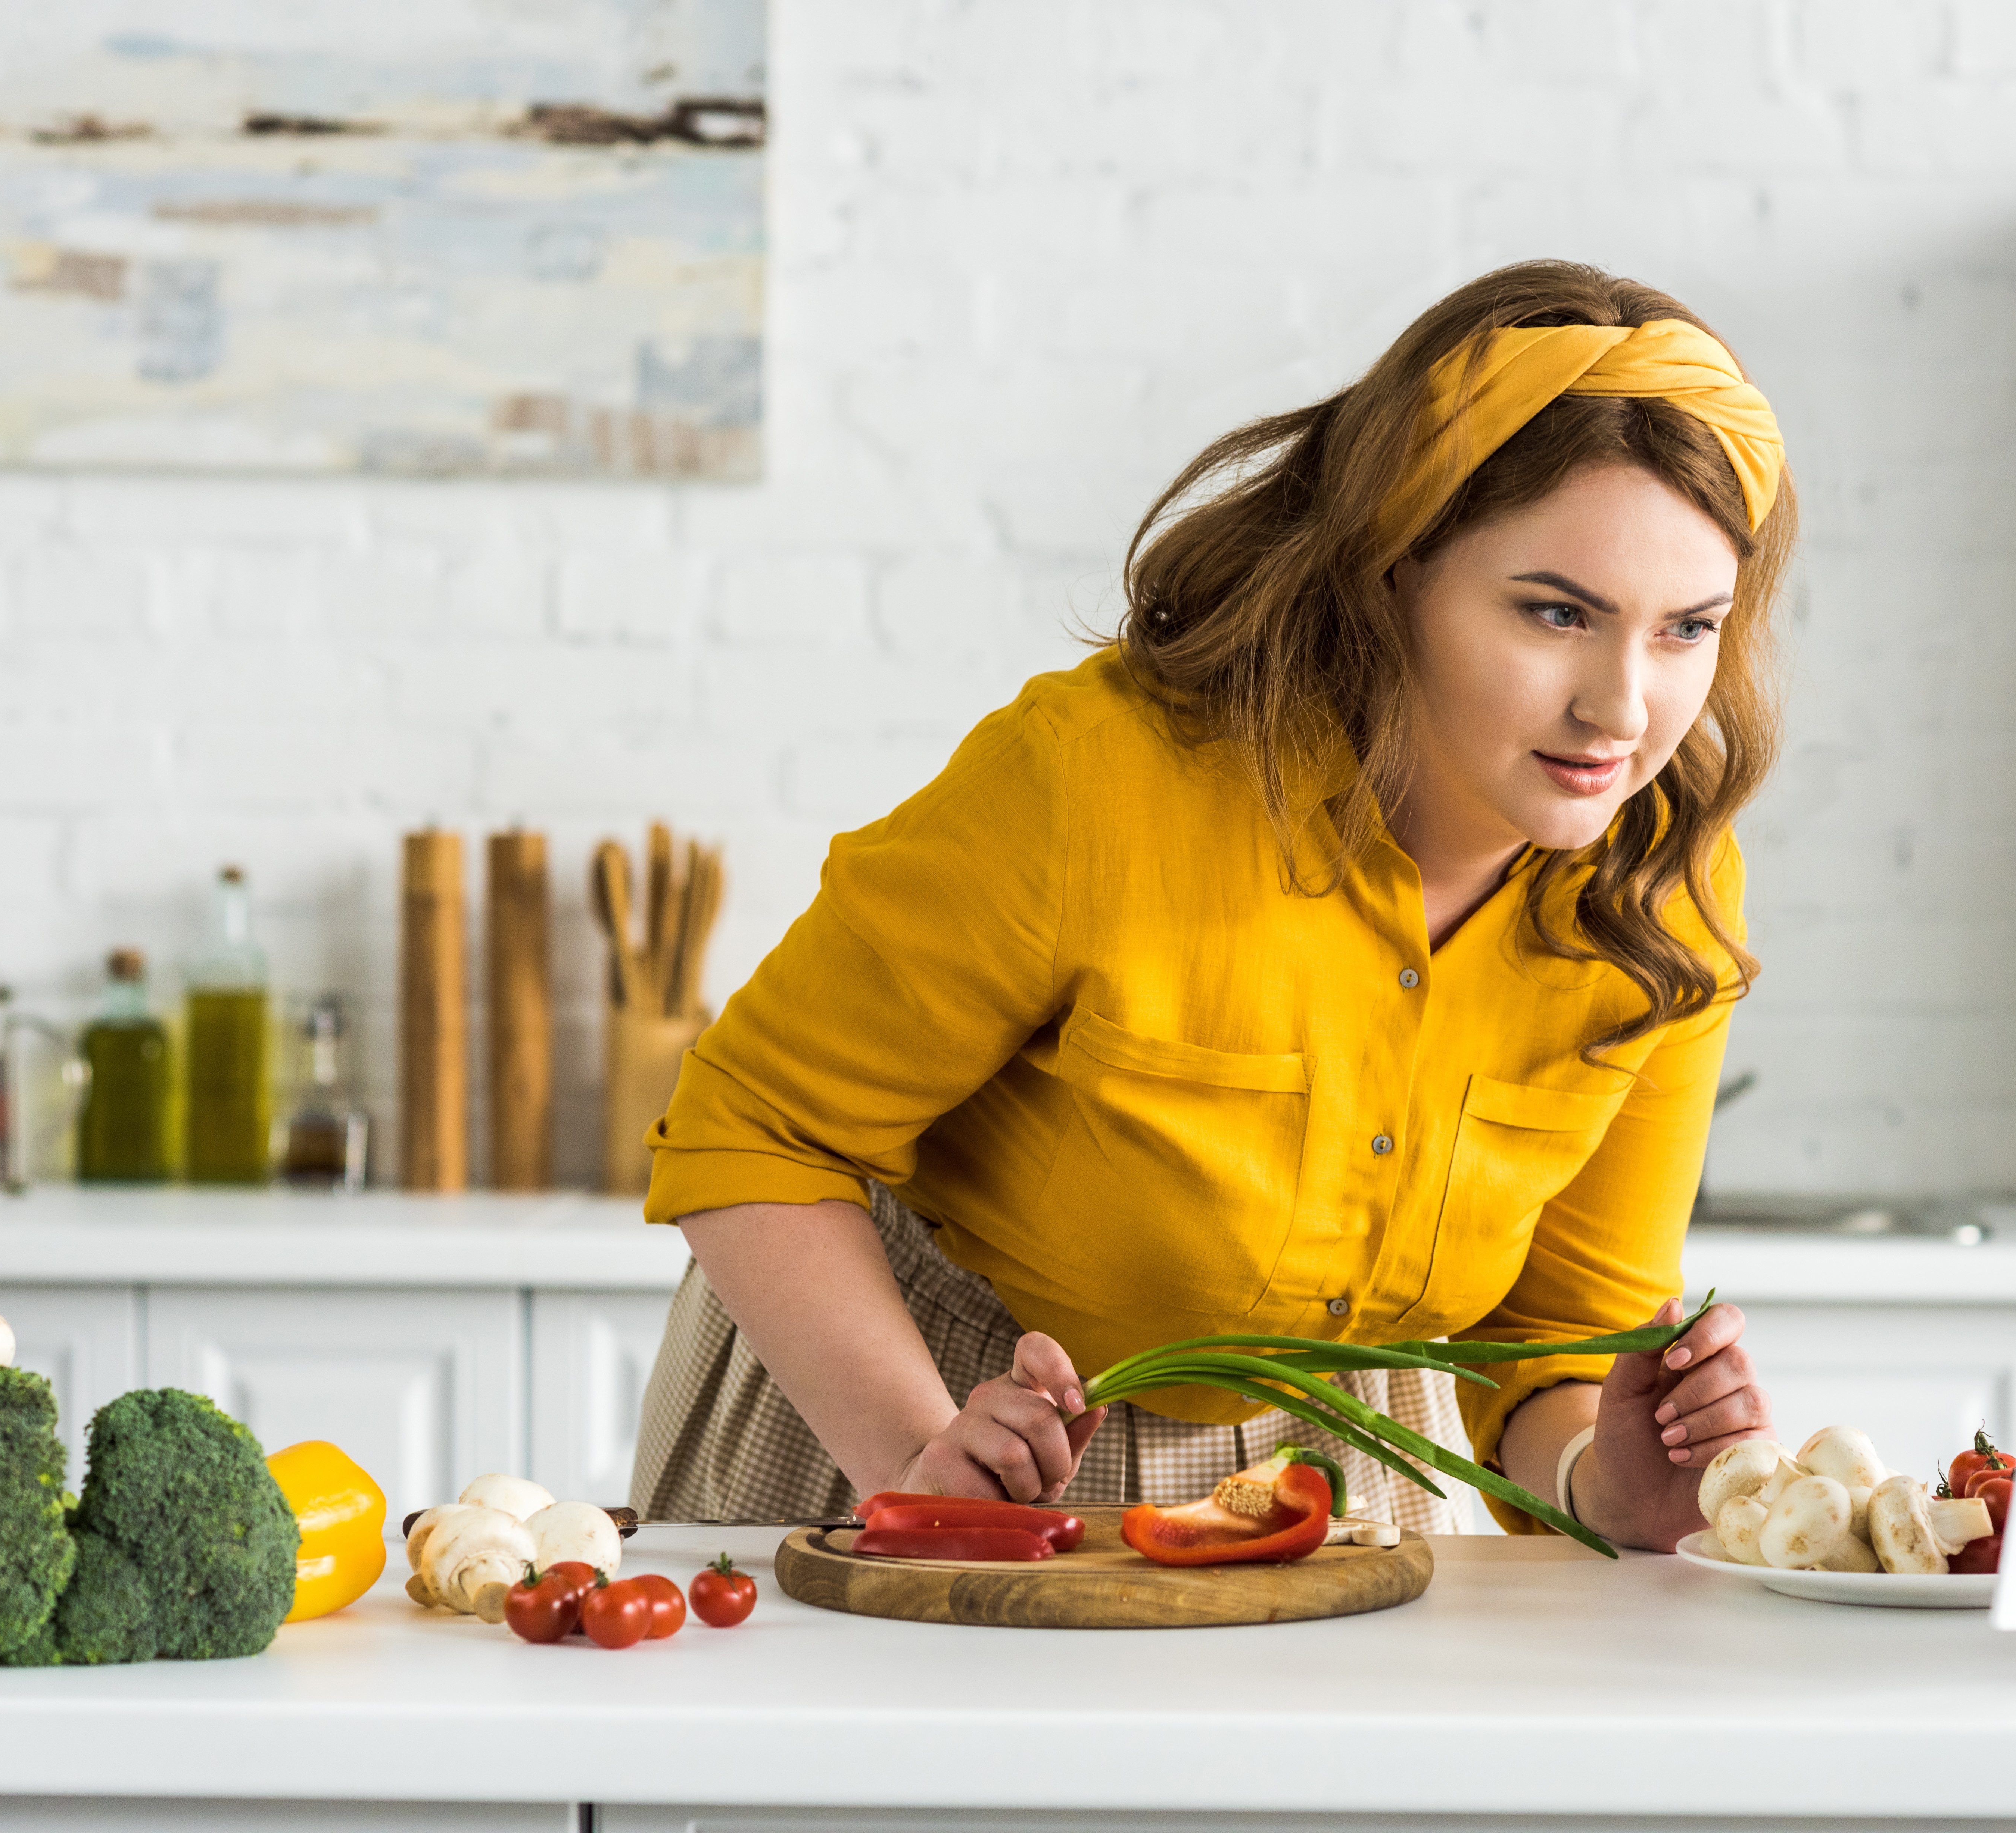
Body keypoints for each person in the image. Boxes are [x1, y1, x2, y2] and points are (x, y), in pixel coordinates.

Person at [631, 259, 1790, 1550]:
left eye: (1688, 629)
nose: (1623, 711)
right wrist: (916, 1458)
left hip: (1334, 1472)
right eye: (1557, 613)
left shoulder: (1665, 889)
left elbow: (1560, 1336)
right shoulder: (1098, 782)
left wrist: (1611, 1484)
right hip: (909, 1404)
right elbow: (752, 1126)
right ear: (1392, 569)